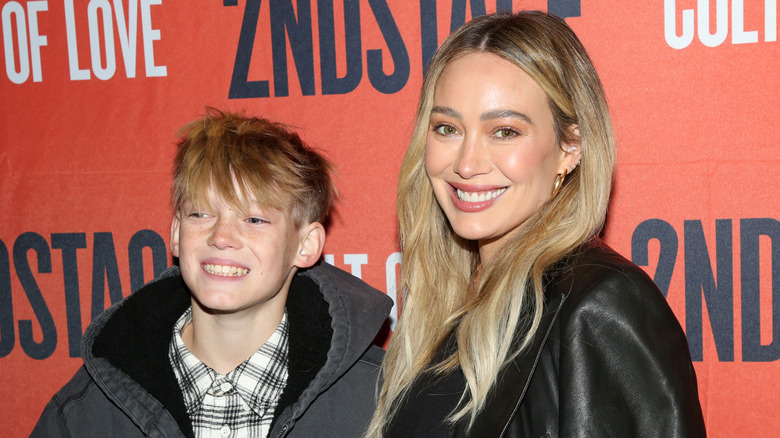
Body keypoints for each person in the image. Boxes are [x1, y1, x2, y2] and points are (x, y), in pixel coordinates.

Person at [365, 11, 706, 438]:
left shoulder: (600, 308)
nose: (466, 164)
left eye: (505, 132)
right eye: (447, 128)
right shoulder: (441, 304)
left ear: (570, 148)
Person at [32, 108, 393, 438]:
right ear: (176, 233)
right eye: (200, 214)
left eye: (254, 220)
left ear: (306, 245)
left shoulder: (382, 403)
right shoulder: (86, 411)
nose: (221, 237)